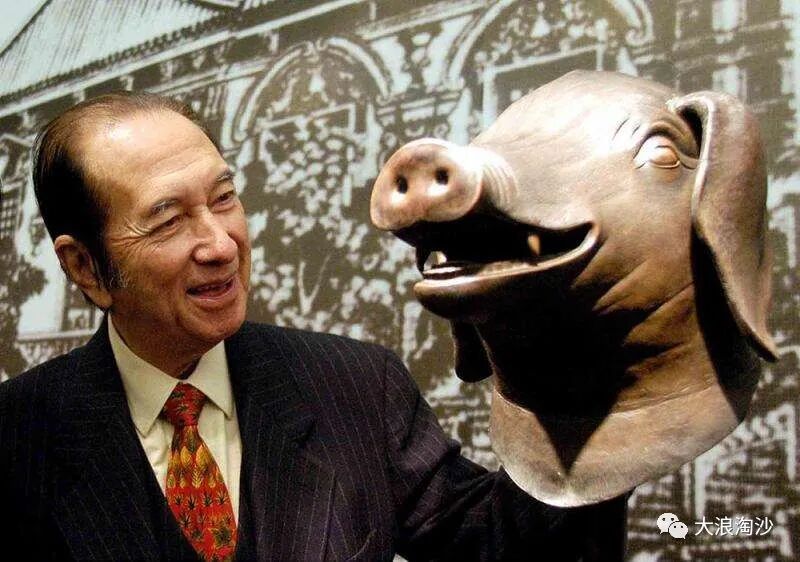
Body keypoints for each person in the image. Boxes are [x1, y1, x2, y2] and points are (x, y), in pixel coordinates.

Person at [0, 92, 627, 561]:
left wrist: (592, 377)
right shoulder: (17, 436)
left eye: (223, 198)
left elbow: (501, 544)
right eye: (167, 220)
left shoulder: (356, 386)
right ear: (85, 267)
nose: (221, 244)